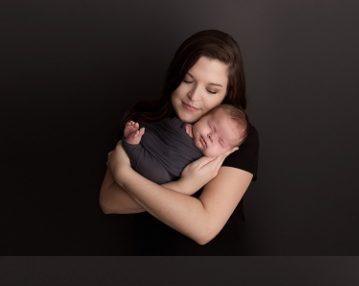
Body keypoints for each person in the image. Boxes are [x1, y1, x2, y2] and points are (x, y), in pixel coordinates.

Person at [99, 30, 259, 245]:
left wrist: (124, 174)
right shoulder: (141, 120)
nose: (194, 96)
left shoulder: (233, 139)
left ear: (227, 94)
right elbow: (109, 202)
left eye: (212, 90)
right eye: (187, 80)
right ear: (175, 75)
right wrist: (183, 187)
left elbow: (204, 228)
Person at [121, 105, 248, 184]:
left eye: (220, 141)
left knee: (158, 176)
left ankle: (132, 145)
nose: (211, 136)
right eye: (211, 126)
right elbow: (160, 127)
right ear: (202, 116)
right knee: (149, 131)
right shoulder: (182, 120)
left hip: (162, 171)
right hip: (154, 140)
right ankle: (133, 137)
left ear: (225, 152)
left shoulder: (208, 162)